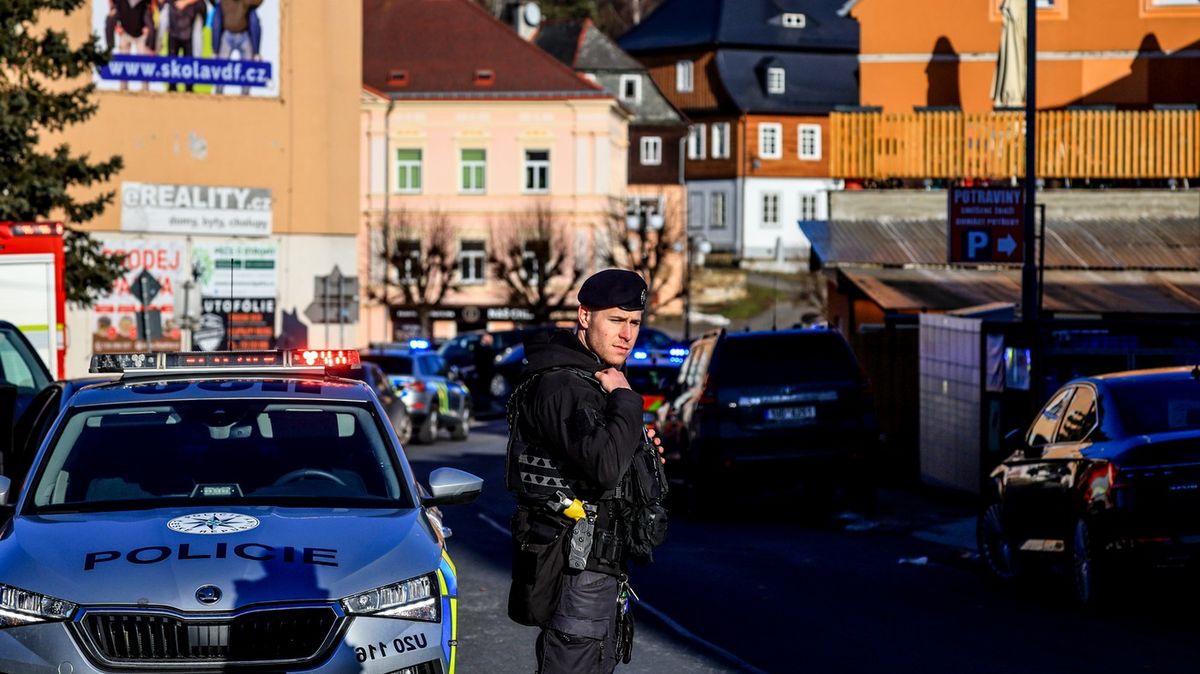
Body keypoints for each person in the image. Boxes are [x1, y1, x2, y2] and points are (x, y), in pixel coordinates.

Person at [506, 269, 668, 673]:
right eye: (615, 320)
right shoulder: (565, 386)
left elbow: (608, 459)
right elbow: (604, 466)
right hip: (577, 572)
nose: (626, 335)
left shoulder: (593, 379)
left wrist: (641, 452)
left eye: (634, 323)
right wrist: (628, 402)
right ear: (584, 317)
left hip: (596, 569)